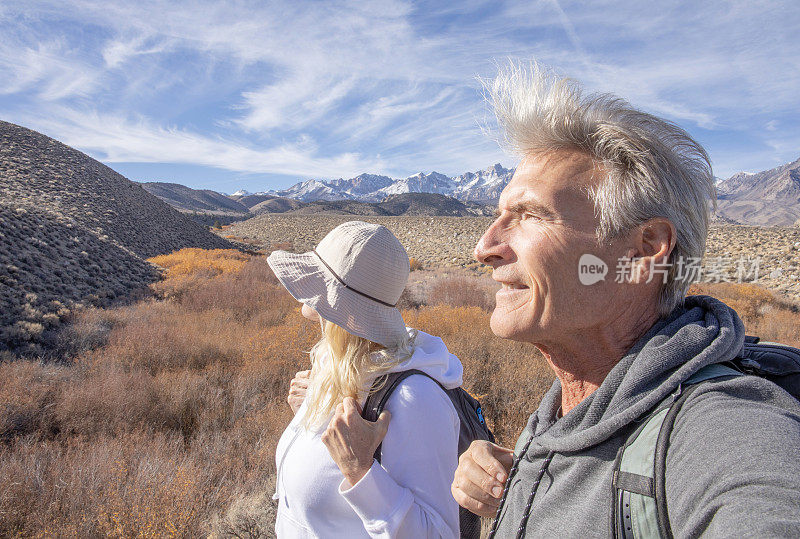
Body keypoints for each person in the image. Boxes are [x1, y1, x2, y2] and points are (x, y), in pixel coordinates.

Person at [450, 63, 800, 536]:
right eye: (498, 215)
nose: (484, 247)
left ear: (645, 249)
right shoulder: (578, 401)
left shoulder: (723, 429)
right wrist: (532, 481)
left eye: (531, 214)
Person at [268, 220, 461, 538]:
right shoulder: (336, 367)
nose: (304, 307)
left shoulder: (415, 398)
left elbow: (440, 534)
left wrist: (361, 472)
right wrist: (306, 419)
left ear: (344, 311)